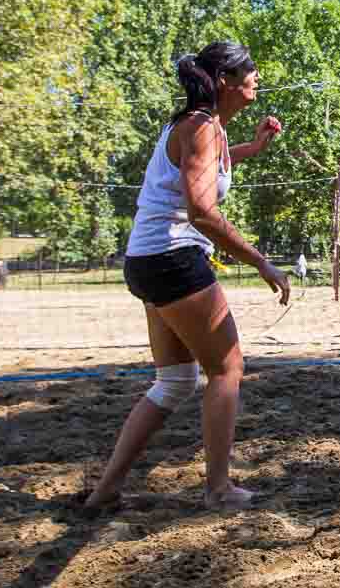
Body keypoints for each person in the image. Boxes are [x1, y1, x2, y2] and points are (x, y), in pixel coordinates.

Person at [85, 42, 291, 511]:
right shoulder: (200, 128)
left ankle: (105, 490)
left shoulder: (205, 128)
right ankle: (219, 489)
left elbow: (206, 167)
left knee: (175, 380)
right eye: (250, 70)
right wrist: (261, 261)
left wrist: (254, 148)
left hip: (147, 260)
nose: (257, 77)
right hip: (174, 258)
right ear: (224, 81)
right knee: (228, 368)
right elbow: (201, 211)